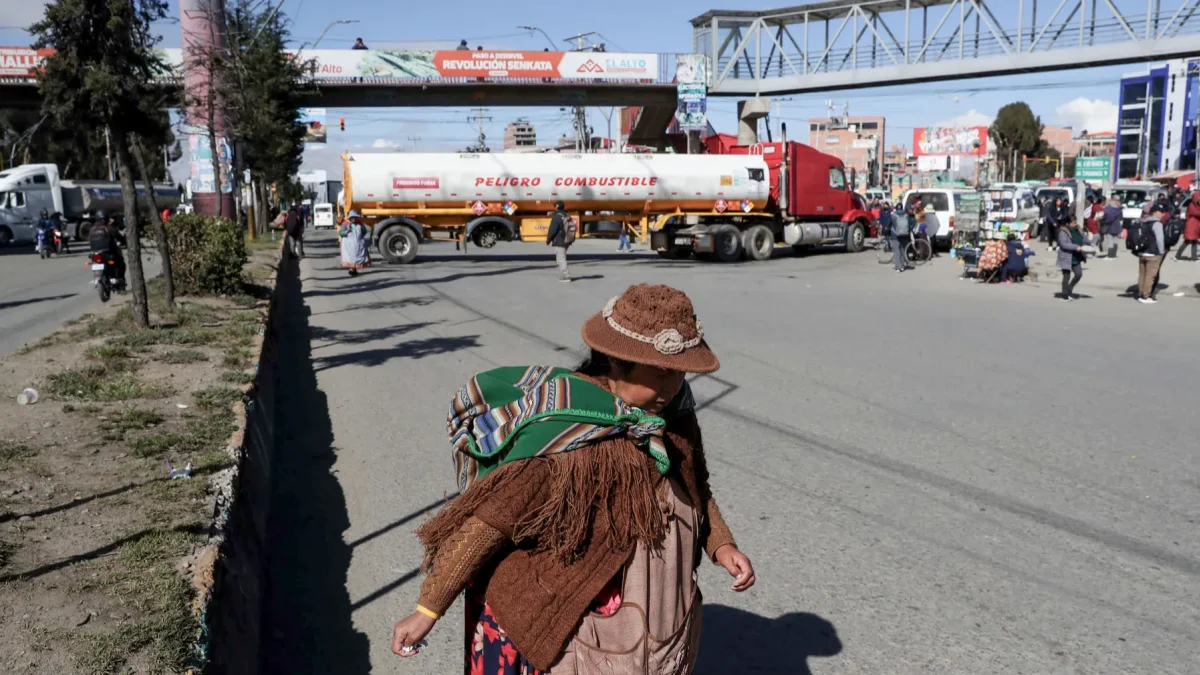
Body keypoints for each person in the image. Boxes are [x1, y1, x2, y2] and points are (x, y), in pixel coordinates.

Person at [391, 284, 755, 674]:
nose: (671, 387)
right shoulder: (570, 437)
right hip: (584, 621)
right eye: (660, 373)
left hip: (661, 609)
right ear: (616, 362)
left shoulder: (674, 416)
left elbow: (695, 485)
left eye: (680, 374)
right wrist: (428, 609)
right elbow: (489, 524)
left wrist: (720, 544)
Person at [1136, 204, 1169, 304]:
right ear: (1155, 212)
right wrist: (1161, 251)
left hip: (1142, 252)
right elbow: (1160, 239)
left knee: (1142, 274)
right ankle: (1146, 296)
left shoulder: (1142, 221)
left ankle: (1141, 293)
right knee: (1150, 276)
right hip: (1153, 253)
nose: (1162, 214)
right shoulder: (1157, 224)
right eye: (1160, 212)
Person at [1055, 213, 1092, 301]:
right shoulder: (1063, 232)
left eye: (1075, 222)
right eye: (1073, 223)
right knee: (1066, 276)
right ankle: (1064, 295)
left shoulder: (1078, 229)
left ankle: (1069, 289)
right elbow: (1064, 244)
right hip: (1066, 256)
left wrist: (1090, 243)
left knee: (1078, 274)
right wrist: (1076, 247)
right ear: (1068, 223)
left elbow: (1084, 238)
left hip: (1076, 256)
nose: (1075, 224)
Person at [89, 212, 126, 285]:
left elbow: (89, 240)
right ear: (106, 219)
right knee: (120, 262)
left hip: (94, 253)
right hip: (108, 253)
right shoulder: (109, 228)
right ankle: (119, 278)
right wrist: (124, 242)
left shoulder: (91, 229)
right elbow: (119, 237)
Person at [545, 200, 572, 282]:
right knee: (562, 257)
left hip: (559, 240)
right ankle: (565, 274)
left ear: (556, 207)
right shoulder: (566, 215)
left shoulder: (557, 216)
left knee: (561, 258)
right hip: (566, 239)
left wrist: (548, 239)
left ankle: (566, 276)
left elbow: (553, 230)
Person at [338, 210, 371, 276]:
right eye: (352, 217)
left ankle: (355, 268)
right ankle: (352, 269)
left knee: (356, 256)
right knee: (350, 257)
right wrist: (347, 231)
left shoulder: (360, 224)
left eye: (355, 217)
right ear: (350, 218)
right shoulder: (346, 224)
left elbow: (364, 231)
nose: (354, 219)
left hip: (357, 244)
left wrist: (361, 238)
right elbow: (340, 232)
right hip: (349, 245)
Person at [1178, 192, 1200, 262]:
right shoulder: (1191, 206)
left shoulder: (1197, 206)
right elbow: (1196, 213)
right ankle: (1178, 255)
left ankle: (1193, 256)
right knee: (1187, 241)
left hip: (1195, 226)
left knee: (1194, 241)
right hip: (1191, 226)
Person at [891, 199, 911, 272]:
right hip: (904, 234)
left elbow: (889, 224)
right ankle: (902, 266)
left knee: (896, 251)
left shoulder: (893, 215)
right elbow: (909, 224)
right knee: (902, 250)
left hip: (895, 235)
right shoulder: (906, 215)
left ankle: (898, 267)